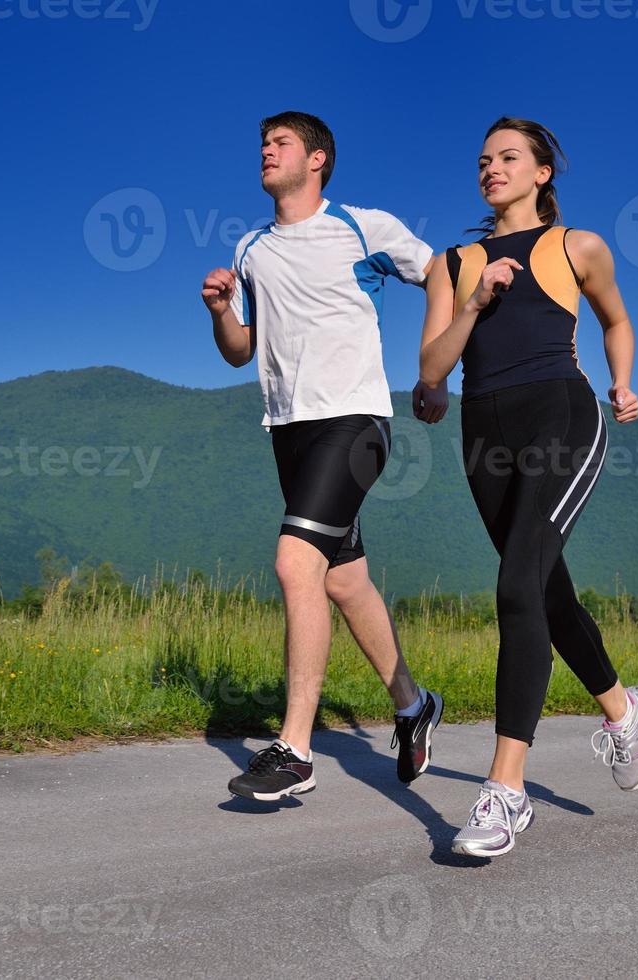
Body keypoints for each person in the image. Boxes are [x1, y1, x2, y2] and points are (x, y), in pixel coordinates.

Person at [412, 116, 638, 857]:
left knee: (517, 585)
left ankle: (506, 790)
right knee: (544, 591)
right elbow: (430, 373)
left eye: (508, 158)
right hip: (484, 433)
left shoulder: (576, 247)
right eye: (483, 159)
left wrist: (621, 381)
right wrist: (477, 302)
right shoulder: (451, 263)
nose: (491, 168)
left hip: (561, 414)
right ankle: (622, 711)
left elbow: (616, 320)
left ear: (542, 172)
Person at [201, 110, 444, 801]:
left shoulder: (364, 226)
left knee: (294, 561)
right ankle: (412, 704)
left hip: (357, 423)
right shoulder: (250, 249)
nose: (265, 152)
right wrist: (221, 311)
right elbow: (241, 351)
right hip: (290, 431)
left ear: (317, 161)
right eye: (261, 145)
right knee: (342, 581)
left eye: (279, 144)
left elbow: (440, 274)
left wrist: (434, 372)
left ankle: (295, 748)